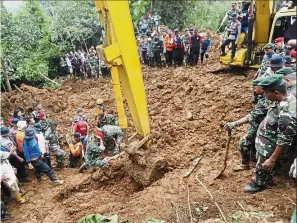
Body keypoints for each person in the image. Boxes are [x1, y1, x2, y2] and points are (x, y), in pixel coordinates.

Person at [245, 74, 296, 193]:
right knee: (262, 164)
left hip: (270, 147)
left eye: (267, 93)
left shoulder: (287, 112)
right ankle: (265, 178)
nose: (265, 95)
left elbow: (284, 139)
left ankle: (260, 183)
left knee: (264, 166)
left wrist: (272, 159)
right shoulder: (280, 100)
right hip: (266, 144)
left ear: (277, 92)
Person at [224, 77, 269, 171]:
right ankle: (253, 161)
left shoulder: (266, 101)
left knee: (244, 142)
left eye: (255, 87)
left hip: (262, 127)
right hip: (257, 125)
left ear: (262, 88)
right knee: (253, 144)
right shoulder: (262, 97)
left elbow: (252, 115)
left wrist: (235, 124)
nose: (254, 89)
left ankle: (245, 164)